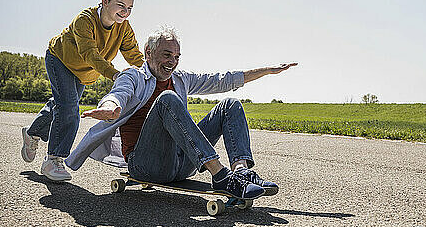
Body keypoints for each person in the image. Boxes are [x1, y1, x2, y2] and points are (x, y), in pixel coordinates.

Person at [65, 26, 297, 199]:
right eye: (166, 55)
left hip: (179, 164)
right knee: (167, 100)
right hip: (145, 164)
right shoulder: (133, 76)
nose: (172, 62)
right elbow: (119, 93)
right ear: (148, 52)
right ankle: (221, 176)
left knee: (230, 104)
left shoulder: (180, 79)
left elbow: (221, 81)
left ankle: (241, 174)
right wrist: (109, 107)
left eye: (176, 57)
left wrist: (266, 71)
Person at [21, 0, 145, 182]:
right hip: (60, 60)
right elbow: (90, 54)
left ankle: (32, 132)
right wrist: (115, 74)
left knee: (62, 105)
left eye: (129, 8)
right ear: (104, 0)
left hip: (85, 72)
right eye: (120, 6)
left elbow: (133, 54)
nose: (125, 12)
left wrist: (149, 72)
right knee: (69, 107)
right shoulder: (85, 20)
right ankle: (54, 159)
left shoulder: (124, 28)